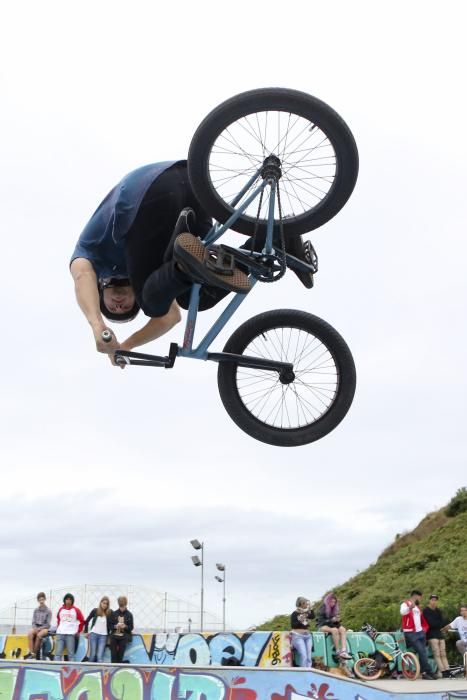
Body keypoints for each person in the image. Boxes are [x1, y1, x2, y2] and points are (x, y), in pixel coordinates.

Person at [70, 161, 314, 364]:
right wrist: (126, 346)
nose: (119, 305)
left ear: (100, 292)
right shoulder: (151, 270)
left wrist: (97, 325)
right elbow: (171, 318)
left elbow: (82, 277)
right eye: (124, 309)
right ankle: (280, 241)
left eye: (111, 307)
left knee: (153, 304)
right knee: (197, 296)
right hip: (194, 188)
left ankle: (184, 263)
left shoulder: (91, 257)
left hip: (148, 193)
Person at [400, 589, 437, 680]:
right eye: (420, 597)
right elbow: (402, 612)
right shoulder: (405, 604)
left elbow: (421, 619)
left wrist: (423, 630)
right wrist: (409, 608)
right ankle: (429, 672)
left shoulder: (417, 607)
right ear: (415, 596)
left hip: (420, 632)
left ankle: (424, 673)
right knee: (422, 652)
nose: (420, 599)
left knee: (423, 653)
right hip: (411, 632)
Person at [316, 592, 351, 660]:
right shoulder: (322, 608)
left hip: (331, 625)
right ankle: (338, 651)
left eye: (334, 602)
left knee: (343, 629)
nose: (333, 603)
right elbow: (321, 621)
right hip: (322, 625)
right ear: (328, 601)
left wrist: (337, 620)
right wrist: (331, 620)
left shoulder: (335, 609)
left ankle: (343, 650)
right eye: (331, 602)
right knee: (334, 630)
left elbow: (335, 623)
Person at [422, 594, 449, 677]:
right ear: (429, 600)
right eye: (432, 600)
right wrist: (438, 624)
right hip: (431, 635)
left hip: (440, 634)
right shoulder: (426, 610)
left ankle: (447, 670)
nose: (434, 601)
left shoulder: (438, 611)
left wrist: (438, 624)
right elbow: (430, 623)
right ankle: (442, 671)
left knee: (443, 653)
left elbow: (442, 622)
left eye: (435, 600)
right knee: (437, 653)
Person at [54, 593, 85, 662]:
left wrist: (78, 631)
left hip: (70, 635)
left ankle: (72, 670)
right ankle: (56, 671)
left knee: (71, 654)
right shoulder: (61, 609)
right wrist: (59, 626)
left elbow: (82, 621)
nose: (68, 601)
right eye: (67, 599)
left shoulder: (76, 610)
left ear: (72, 601)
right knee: (58, 654)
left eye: (70, 599)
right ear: (64, 600)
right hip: (60, 633)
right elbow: (59, 619)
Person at [84, 596, 112, 662]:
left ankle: (100, 671)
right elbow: (87, 620)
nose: (105, 605)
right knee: (92, 655)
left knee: (100, 656)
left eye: (106, 604)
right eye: (103, 603)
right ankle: (89, 670)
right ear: (100, 603)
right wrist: (86, 631)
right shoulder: (95, 611)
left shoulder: (109, 613)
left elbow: (113, 622)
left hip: (103, 636)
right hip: (93, 634)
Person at [24, 592, 52, 660]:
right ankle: (31, 653)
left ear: (45, 599)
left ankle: (34, 653)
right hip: (36, 627)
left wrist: (39, 629)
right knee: (30, 633)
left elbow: (48, 624)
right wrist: (35, 628)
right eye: (40, 600)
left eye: (42, 599)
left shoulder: (48, 611)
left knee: (39, 635)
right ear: (38, 600)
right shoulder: (36, 610)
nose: (41, 601)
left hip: (45, 628)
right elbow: (33, 621)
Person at [290, 596, 315, 667]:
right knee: (304, 655)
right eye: (305, 603)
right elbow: (293, 625)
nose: (307, 605)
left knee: (309, 656)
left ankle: (308, 672)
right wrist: (300, 620)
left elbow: (312, 616)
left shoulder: (306, 613)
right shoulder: (294, 614)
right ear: (301, 604)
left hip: (308, 636)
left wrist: (311, 608)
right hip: (298, 636)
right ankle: (303, 673)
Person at [109, 596, 134, 663]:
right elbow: (110, 626)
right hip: (114, 636)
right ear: (118, 605)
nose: (122, 608)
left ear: (126, 604)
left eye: (123, 606)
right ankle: (113, 667)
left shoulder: (129, 614)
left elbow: (131, 627)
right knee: (113, 654)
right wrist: (115, 626)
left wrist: (125, 626)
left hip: (124, 636)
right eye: (120, 606)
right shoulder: (114, 613)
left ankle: (118, 667)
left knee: (121, 653)